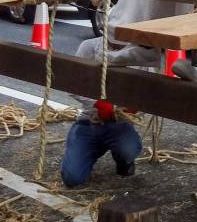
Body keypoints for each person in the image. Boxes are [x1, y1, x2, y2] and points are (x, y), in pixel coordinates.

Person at [61, 48, 142, 187]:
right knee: (72, 178)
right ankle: (81, 151)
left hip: (120, 124)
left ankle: (124, 160)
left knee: (128, 150)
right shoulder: (89, 47)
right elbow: (71, 82)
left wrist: (134, 106)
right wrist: (97, 103)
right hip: (89, 122)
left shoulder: (143, 55)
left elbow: (149, 90)